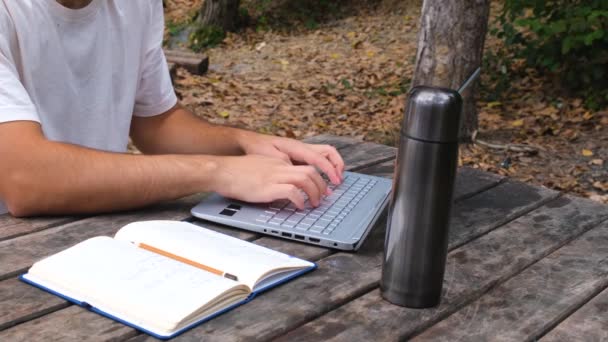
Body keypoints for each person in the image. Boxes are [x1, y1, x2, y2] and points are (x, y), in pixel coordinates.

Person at [0, 0, 344, 217]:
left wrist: (245, 143)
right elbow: (25, 179)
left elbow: (156, 123)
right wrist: (217, 170)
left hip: (102, 226)